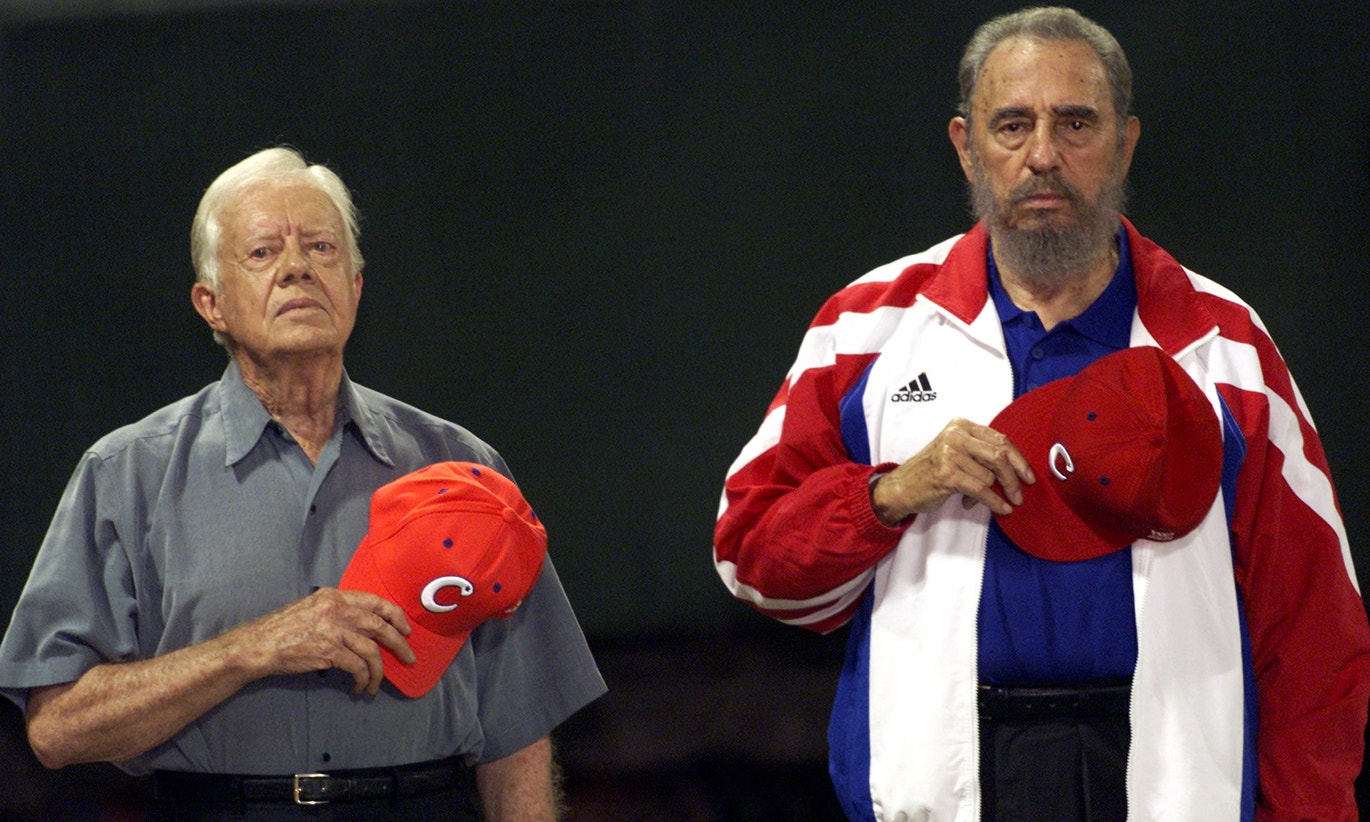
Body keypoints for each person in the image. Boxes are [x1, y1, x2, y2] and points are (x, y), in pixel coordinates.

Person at [712, 7, 1370, 821]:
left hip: (1169, 784)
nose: (1043, 157)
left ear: (1126, 143)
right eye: (1013, 125)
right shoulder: (866, 330)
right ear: (966, 145)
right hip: (943, 786)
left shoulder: (1221, 347)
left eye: (1076, 124)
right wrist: (886, 494)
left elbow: (1314, 632)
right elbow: (750, 556)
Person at [0, 147, 606, 820]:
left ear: (354, 286)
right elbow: (55, 729)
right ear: (212, 305)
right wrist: (249, 650)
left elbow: (517, 730)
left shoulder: (463, 466)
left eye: (321, 247)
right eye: (262, 253)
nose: (297, 267)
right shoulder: (126, 475)